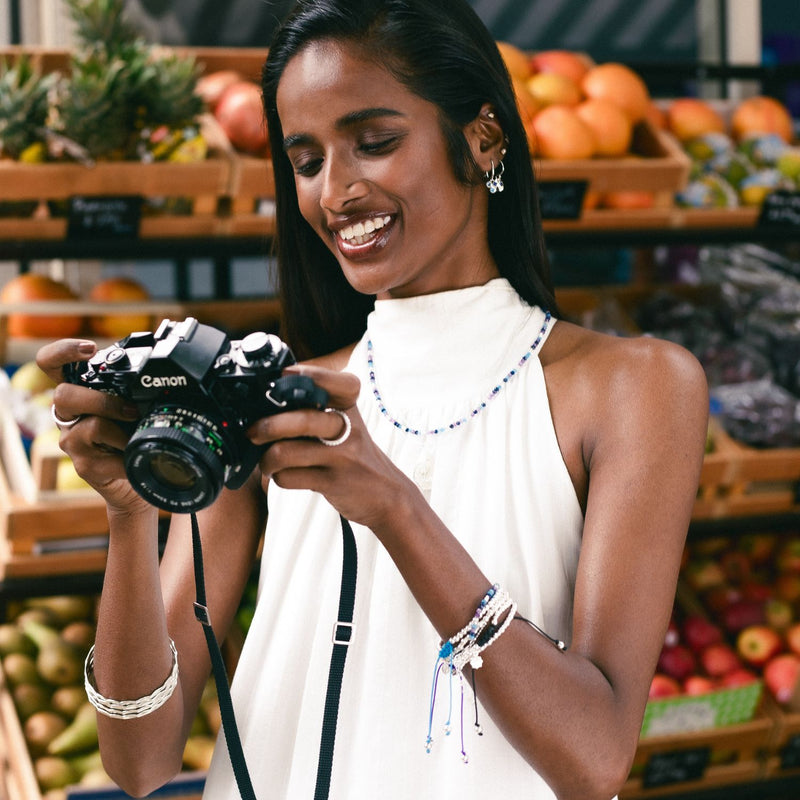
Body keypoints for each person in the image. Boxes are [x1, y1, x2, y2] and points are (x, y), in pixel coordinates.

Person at [36, 1, 709, 798]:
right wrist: (128, 513)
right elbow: (139, 762)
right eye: (307, 159)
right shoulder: (276, 402)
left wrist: (397, 508)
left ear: (483, 137)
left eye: (375, 142)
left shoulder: (634, 386)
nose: (337, 191)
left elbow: (594, 758)